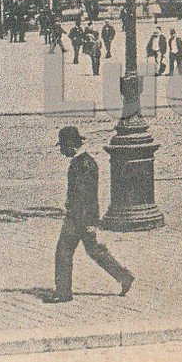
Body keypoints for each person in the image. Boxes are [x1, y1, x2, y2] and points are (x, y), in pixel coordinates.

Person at [47, 127, 133, 303]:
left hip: (78, 217)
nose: (62, 151)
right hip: (83, 216)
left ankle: (63, 293)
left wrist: (88, 222)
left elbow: (85, 196)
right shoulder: (85, 162)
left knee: (63, 252)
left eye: (63, 147)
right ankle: (124, 276)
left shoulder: (82, 165)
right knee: (95, 251)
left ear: (71, 145)